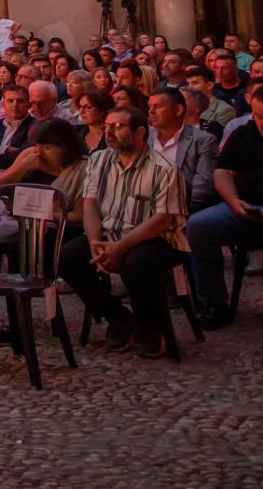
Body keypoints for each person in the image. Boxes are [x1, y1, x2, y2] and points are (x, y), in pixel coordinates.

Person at [57, 106, 189, 358]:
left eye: (117, 126)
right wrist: (95, 241)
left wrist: (119, 247)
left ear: (140, 132)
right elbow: (90, 204)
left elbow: (162, 219)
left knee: (136, 264)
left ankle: (150, 327)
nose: (109, 132)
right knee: (67, 258)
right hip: (109, 234)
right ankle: (118, 317)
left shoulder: (164, 169)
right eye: (107, 126)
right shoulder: (99, 159)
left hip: (157, 238)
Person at [187, 83, 263, 328]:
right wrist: (234, 201)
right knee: (199, 226)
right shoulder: (243, 134)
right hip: (245, 209)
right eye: (260, 116)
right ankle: (213, 302)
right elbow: (222, 173)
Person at [147, 86, 218, 210]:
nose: (151, 111)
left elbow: (203, 186)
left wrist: (174, 208)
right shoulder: (144, 137)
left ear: (178, 110)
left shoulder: (203, 140)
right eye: (150, 107)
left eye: (157, 106)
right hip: (143, 204)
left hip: (181, 207)